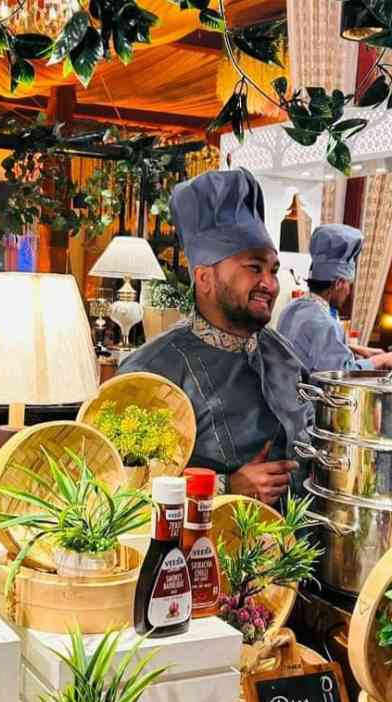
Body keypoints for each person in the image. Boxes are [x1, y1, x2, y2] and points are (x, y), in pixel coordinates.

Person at [119, 168, 308, 505]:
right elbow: (119, 486)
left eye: (273, 270)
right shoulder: (151, 371)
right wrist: (226, 487)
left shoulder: (286, 355)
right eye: (254, 268)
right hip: (202, 552)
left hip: (297, 550)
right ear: (204, 278)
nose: (270, 283)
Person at [276, 224, 392, 373]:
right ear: (339, 283)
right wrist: (380, 360)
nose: (348, 291)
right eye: (348, 284)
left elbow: (311, 347)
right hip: (305, 396)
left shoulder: (292, 308)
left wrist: (358, 349)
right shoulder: (325, 323)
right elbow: (340, 375)